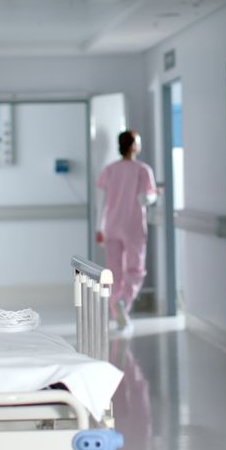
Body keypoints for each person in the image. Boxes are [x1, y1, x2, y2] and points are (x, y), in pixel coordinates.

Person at [96, 130, 158, 337]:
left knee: (113, 272)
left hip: (112, 226)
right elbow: (144, 199)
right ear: (133, 146)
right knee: (135, 269)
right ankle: (124, 302)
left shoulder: (110, 170)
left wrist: (100, 227)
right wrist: (154, 195)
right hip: (133, 226)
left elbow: (102, 202)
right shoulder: (142, 170)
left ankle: (117, 311)